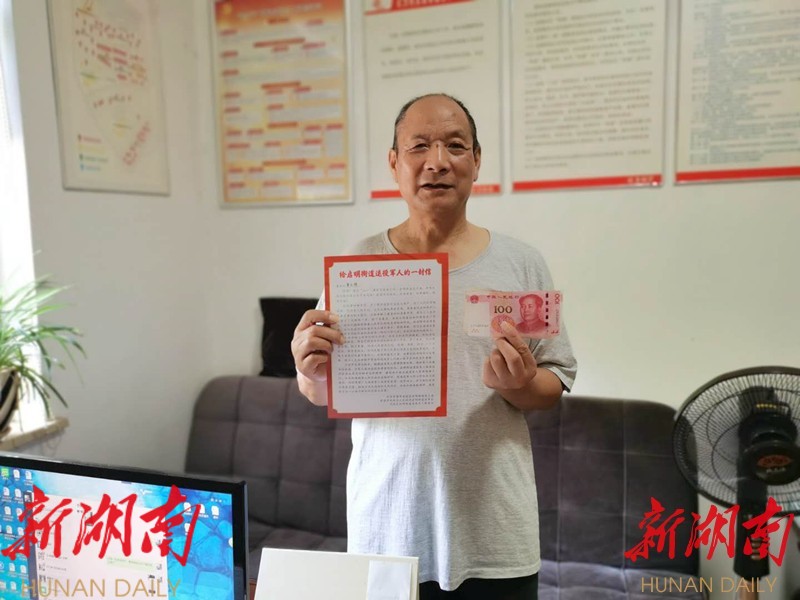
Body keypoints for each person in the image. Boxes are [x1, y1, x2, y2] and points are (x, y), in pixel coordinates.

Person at [291, 94, 577, 600]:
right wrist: (308, 369)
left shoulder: (520, 264)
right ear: (394, 163)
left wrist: (520, 384)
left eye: (455, 146)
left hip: (495, 534)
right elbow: (321, 389)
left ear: (477, 160)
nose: (437, 161)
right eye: (419, 146)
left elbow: (554, 382)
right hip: (387, 528)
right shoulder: (359, 264)